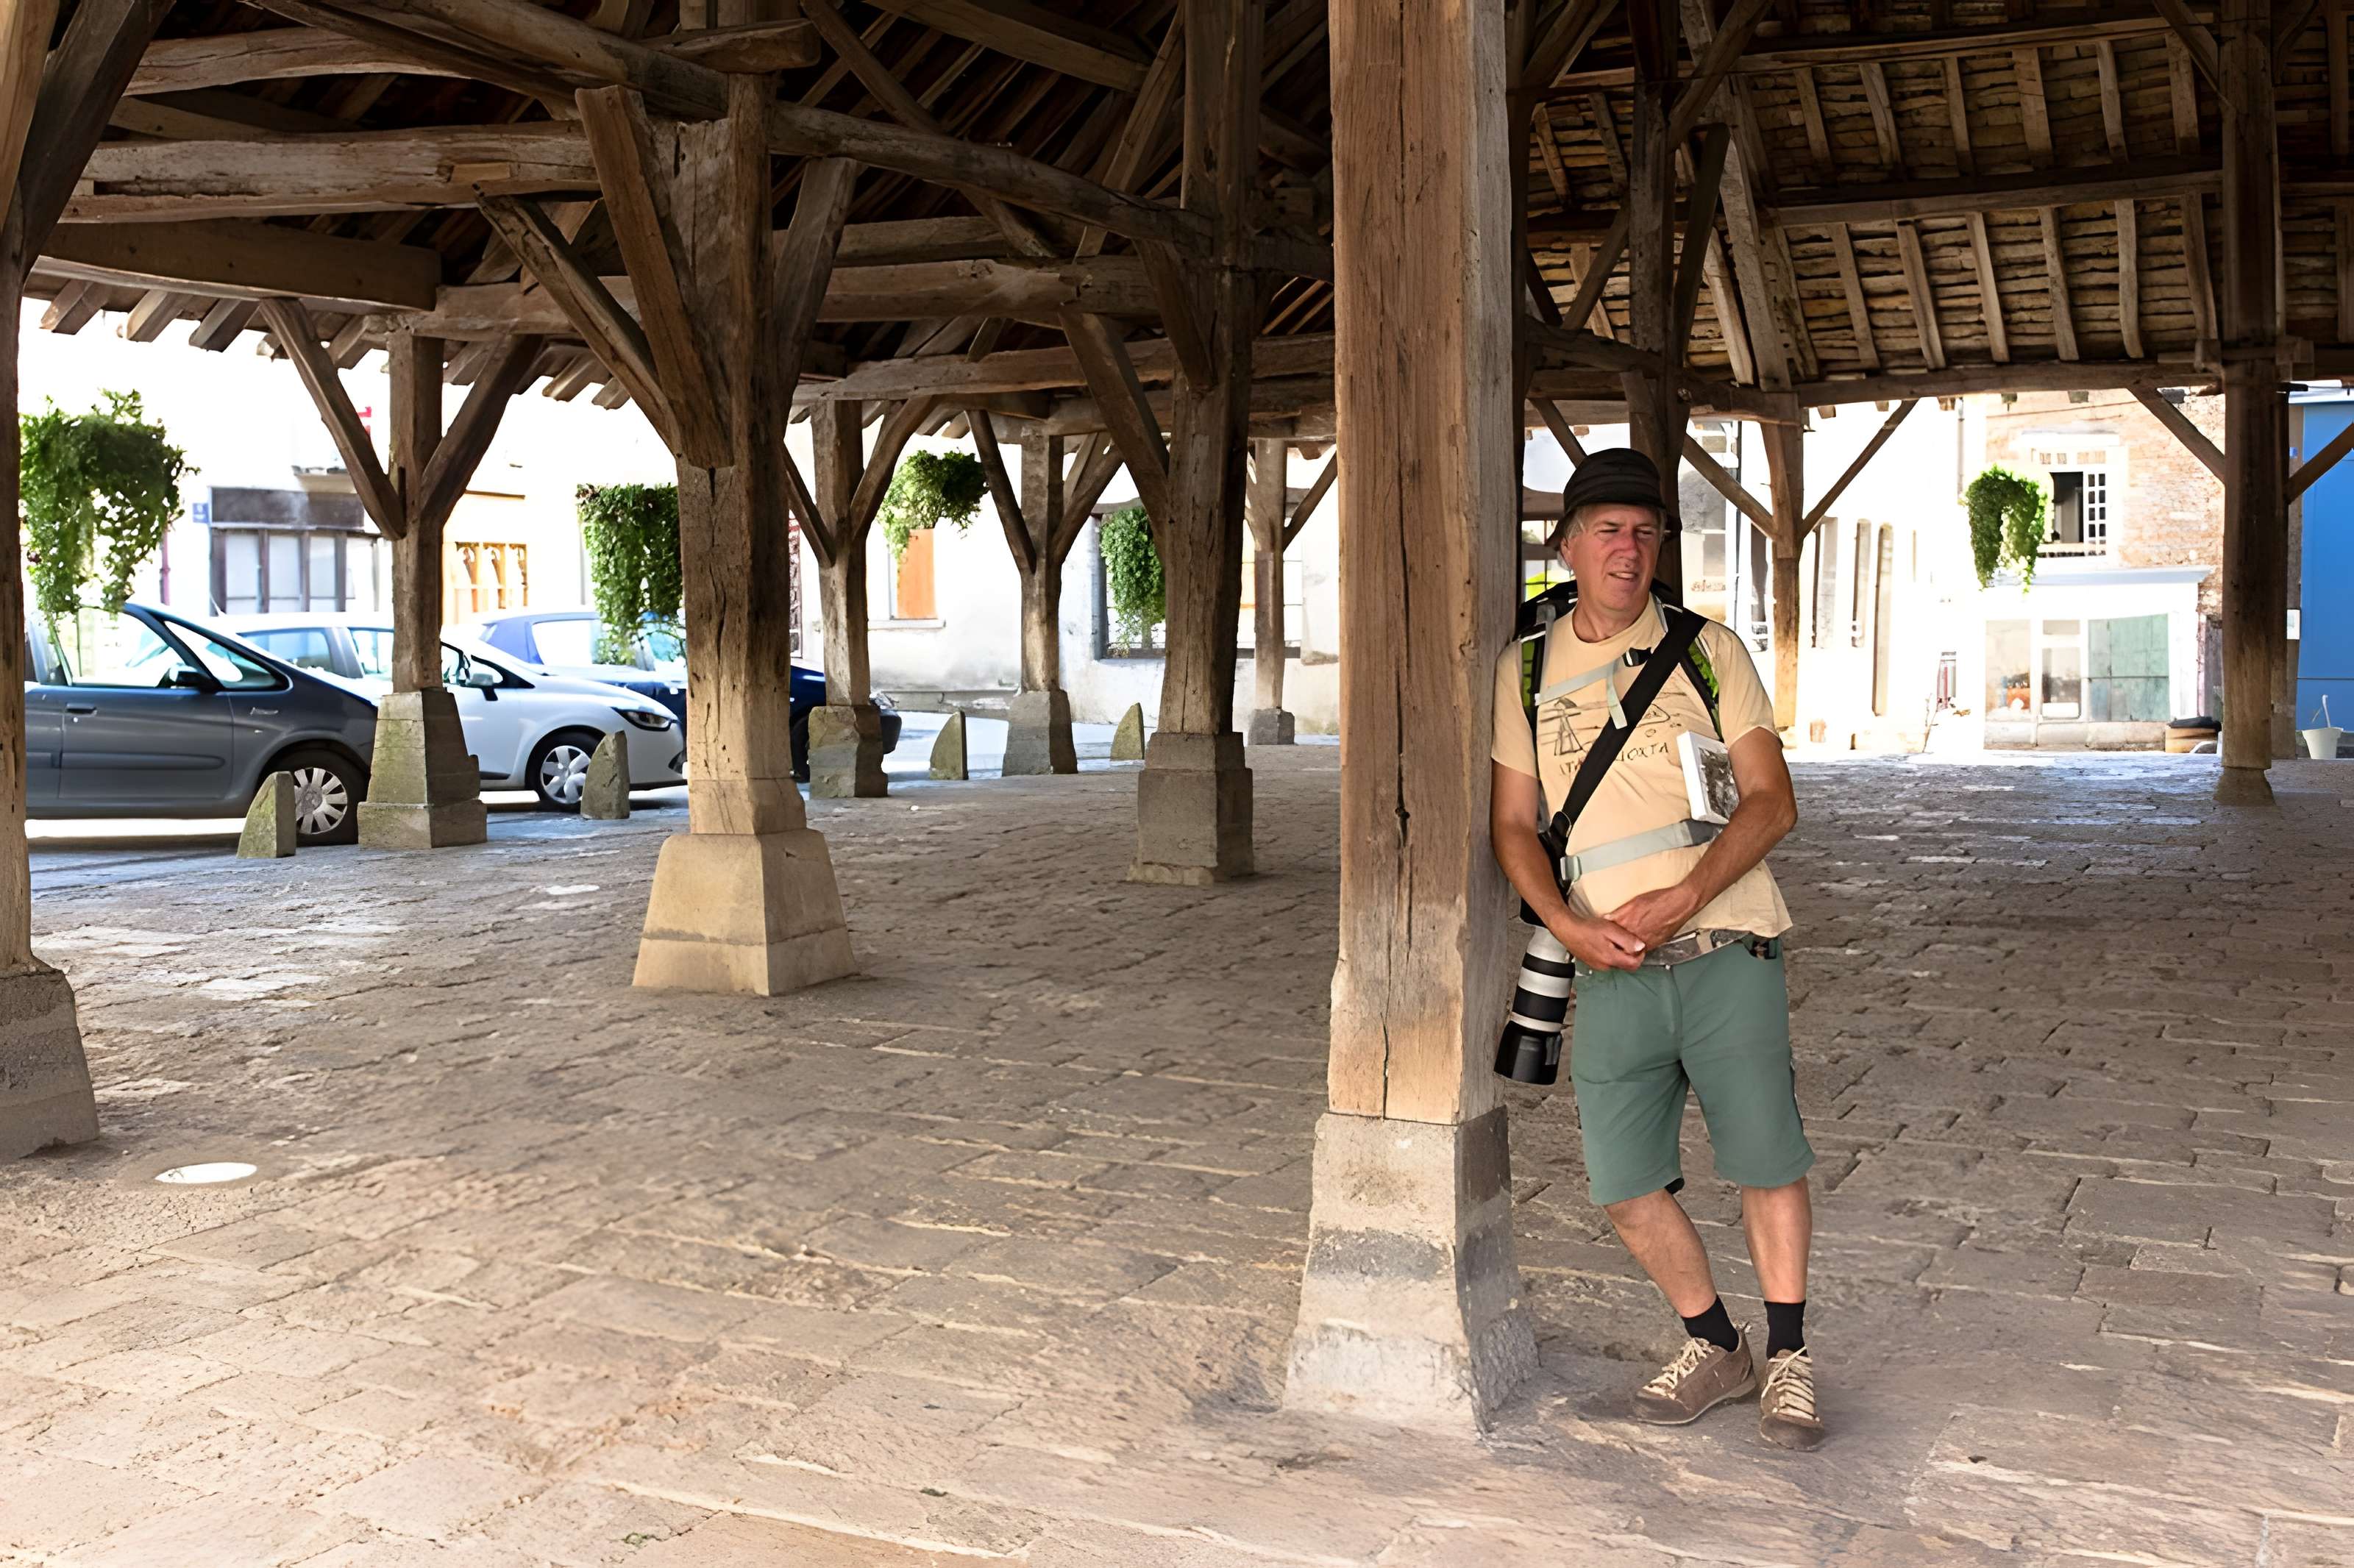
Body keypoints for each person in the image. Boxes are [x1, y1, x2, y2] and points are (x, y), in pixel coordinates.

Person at [1488, 447, 1821, 1450]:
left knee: (1764, 1159)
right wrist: (1567, 921)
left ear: (1659, 547)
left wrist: (1687, 894)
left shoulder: (1708, 651)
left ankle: (1792, 1357)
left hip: (1724, 946)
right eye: (1606, 530)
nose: (1626, 549)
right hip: (1611, 964)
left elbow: (1772, 803)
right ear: (1568, 546)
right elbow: (1513, 824)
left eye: (1644, 531)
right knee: (1624, 1183)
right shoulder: (1528, 667)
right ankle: (1716, 1346)